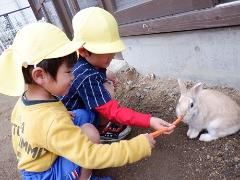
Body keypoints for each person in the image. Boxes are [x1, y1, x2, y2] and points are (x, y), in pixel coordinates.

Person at [0, 22, 162, 180]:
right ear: (40, 75)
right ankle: (85, 178)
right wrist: (137, 146)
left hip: (34, 163)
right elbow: (91, 155)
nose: (73, 77)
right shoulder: (52, 121)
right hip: (46, 174)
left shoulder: (25, 102)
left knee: (82, 116)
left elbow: (37, 129)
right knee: (90, 133)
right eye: (69, 72)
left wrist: (60, 116)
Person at [61, 7, 175, 143]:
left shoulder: (81, 61)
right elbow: (112, 111)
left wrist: (106, 73)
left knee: (107, 81)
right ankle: (101, 129)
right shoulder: (86, 77)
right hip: (73, 119)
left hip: (74, 107)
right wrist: (148, 120)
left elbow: (99, 69)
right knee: (107, 90)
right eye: (106, 54)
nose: (112, 57)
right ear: (83, 51)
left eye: (113, 51)